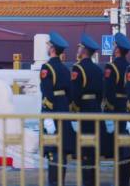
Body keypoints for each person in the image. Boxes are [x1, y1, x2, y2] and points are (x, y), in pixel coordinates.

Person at [40, 31, 75, 186]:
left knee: (53, 148)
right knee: (62, 149)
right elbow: (71, 93)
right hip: (63, 109)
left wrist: (48, 116)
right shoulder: (65, 69)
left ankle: (53, 182)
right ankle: (60, 181)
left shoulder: (46, 67)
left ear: (52, 49)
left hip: (52, 111)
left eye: (48, 45)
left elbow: (46, 93)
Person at [69, 34, 104, 186]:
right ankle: (94, 180)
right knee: (94, 149)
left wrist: (74, 110)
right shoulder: (97, 69)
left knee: (85, 149)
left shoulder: (78, 68)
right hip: (96, 109)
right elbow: (102, 92)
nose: (77, 49)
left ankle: (87, 181)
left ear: (83, 50)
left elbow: (75, 93)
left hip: (84, 110)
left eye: (79, 47)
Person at [103, 32, 130, 186]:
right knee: (126, 145)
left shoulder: (111, 67)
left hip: (115, 109)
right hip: (126, 108)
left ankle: (119, 180)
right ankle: (125, 179)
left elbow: (108, 90)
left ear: (117, 50)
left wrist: (110, 106)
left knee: (116, 146)